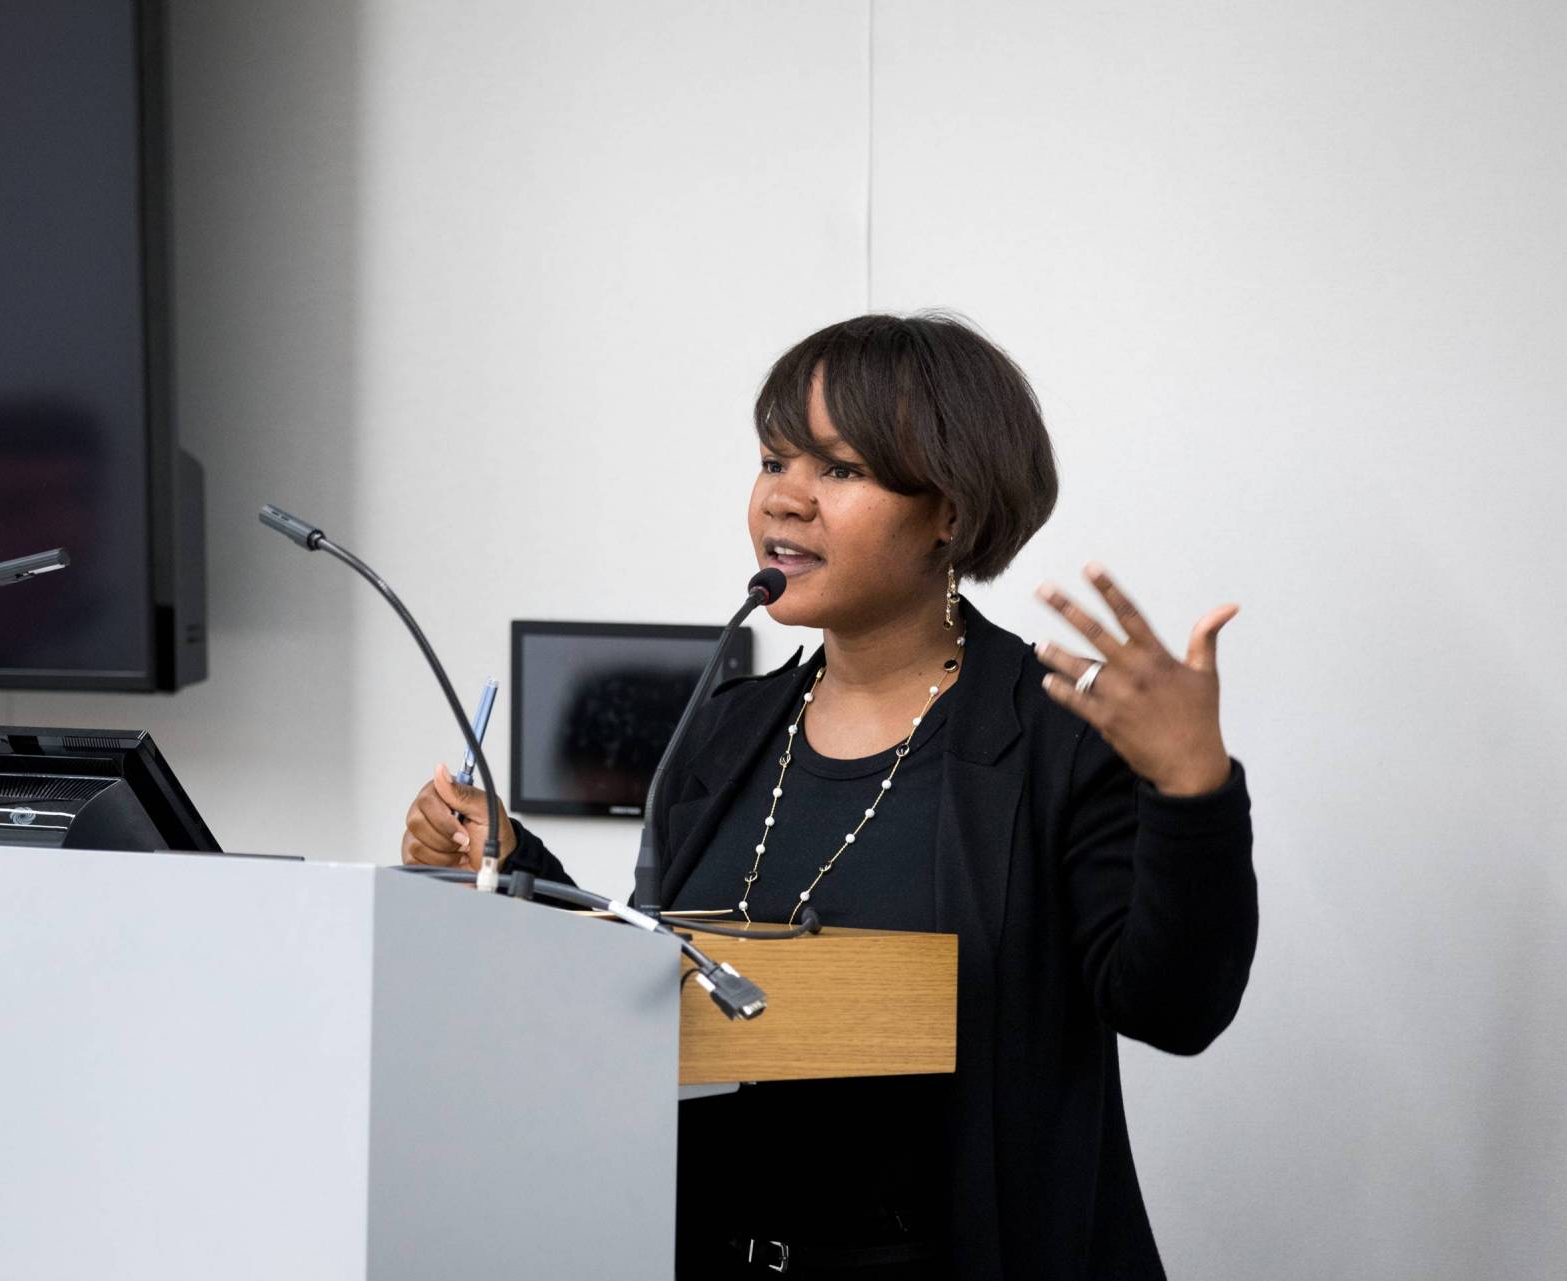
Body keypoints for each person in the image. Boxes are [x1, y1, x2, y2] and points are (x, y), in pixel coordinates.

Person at [401, 312, 1257, 1279]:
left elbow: (1175, 1008)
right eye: (775, 459)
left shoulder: (1060, 738)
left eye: (840, 469)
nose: (787, 500)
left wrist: (1192, 788)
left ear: (953, 510)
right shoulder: (723, 729)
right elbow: (661, 977)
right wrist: (507, 861)